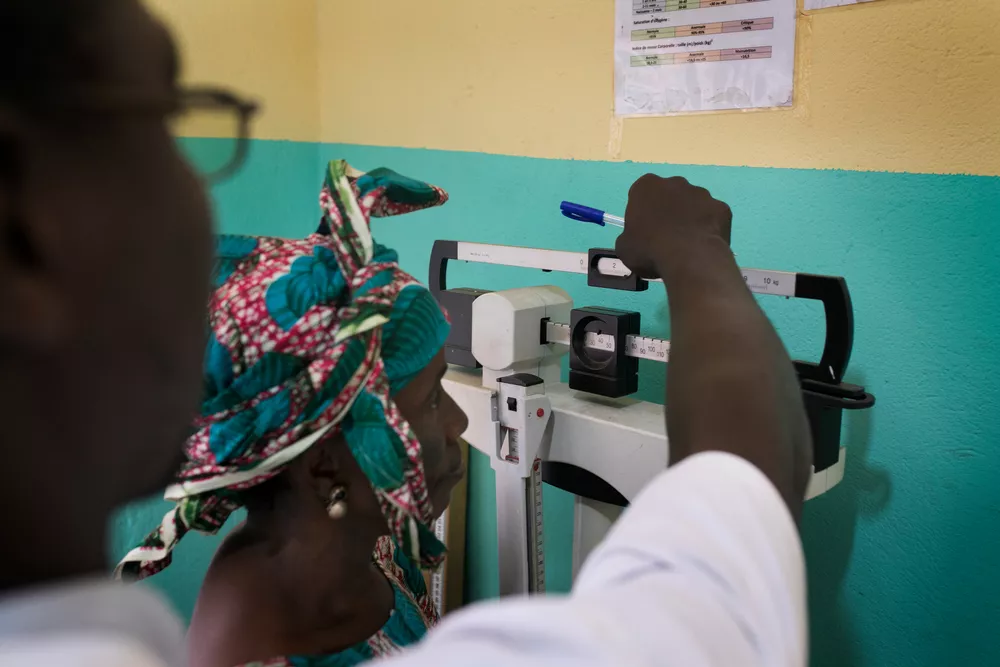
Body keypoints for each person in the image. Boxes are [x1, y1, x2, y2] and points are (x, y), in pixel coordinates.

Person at [1, 1, 812, 665]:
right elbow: (727, 543)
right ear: (28, 237)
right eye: (167, 115)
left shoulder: (373, 556)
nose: (201, 211)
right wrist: (693, 247)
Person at [115, 159, 469, 667]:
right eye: (433, 399)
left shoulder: (371, 549)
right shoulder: (256, 649)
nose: (459, 423)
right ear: (325, 466)